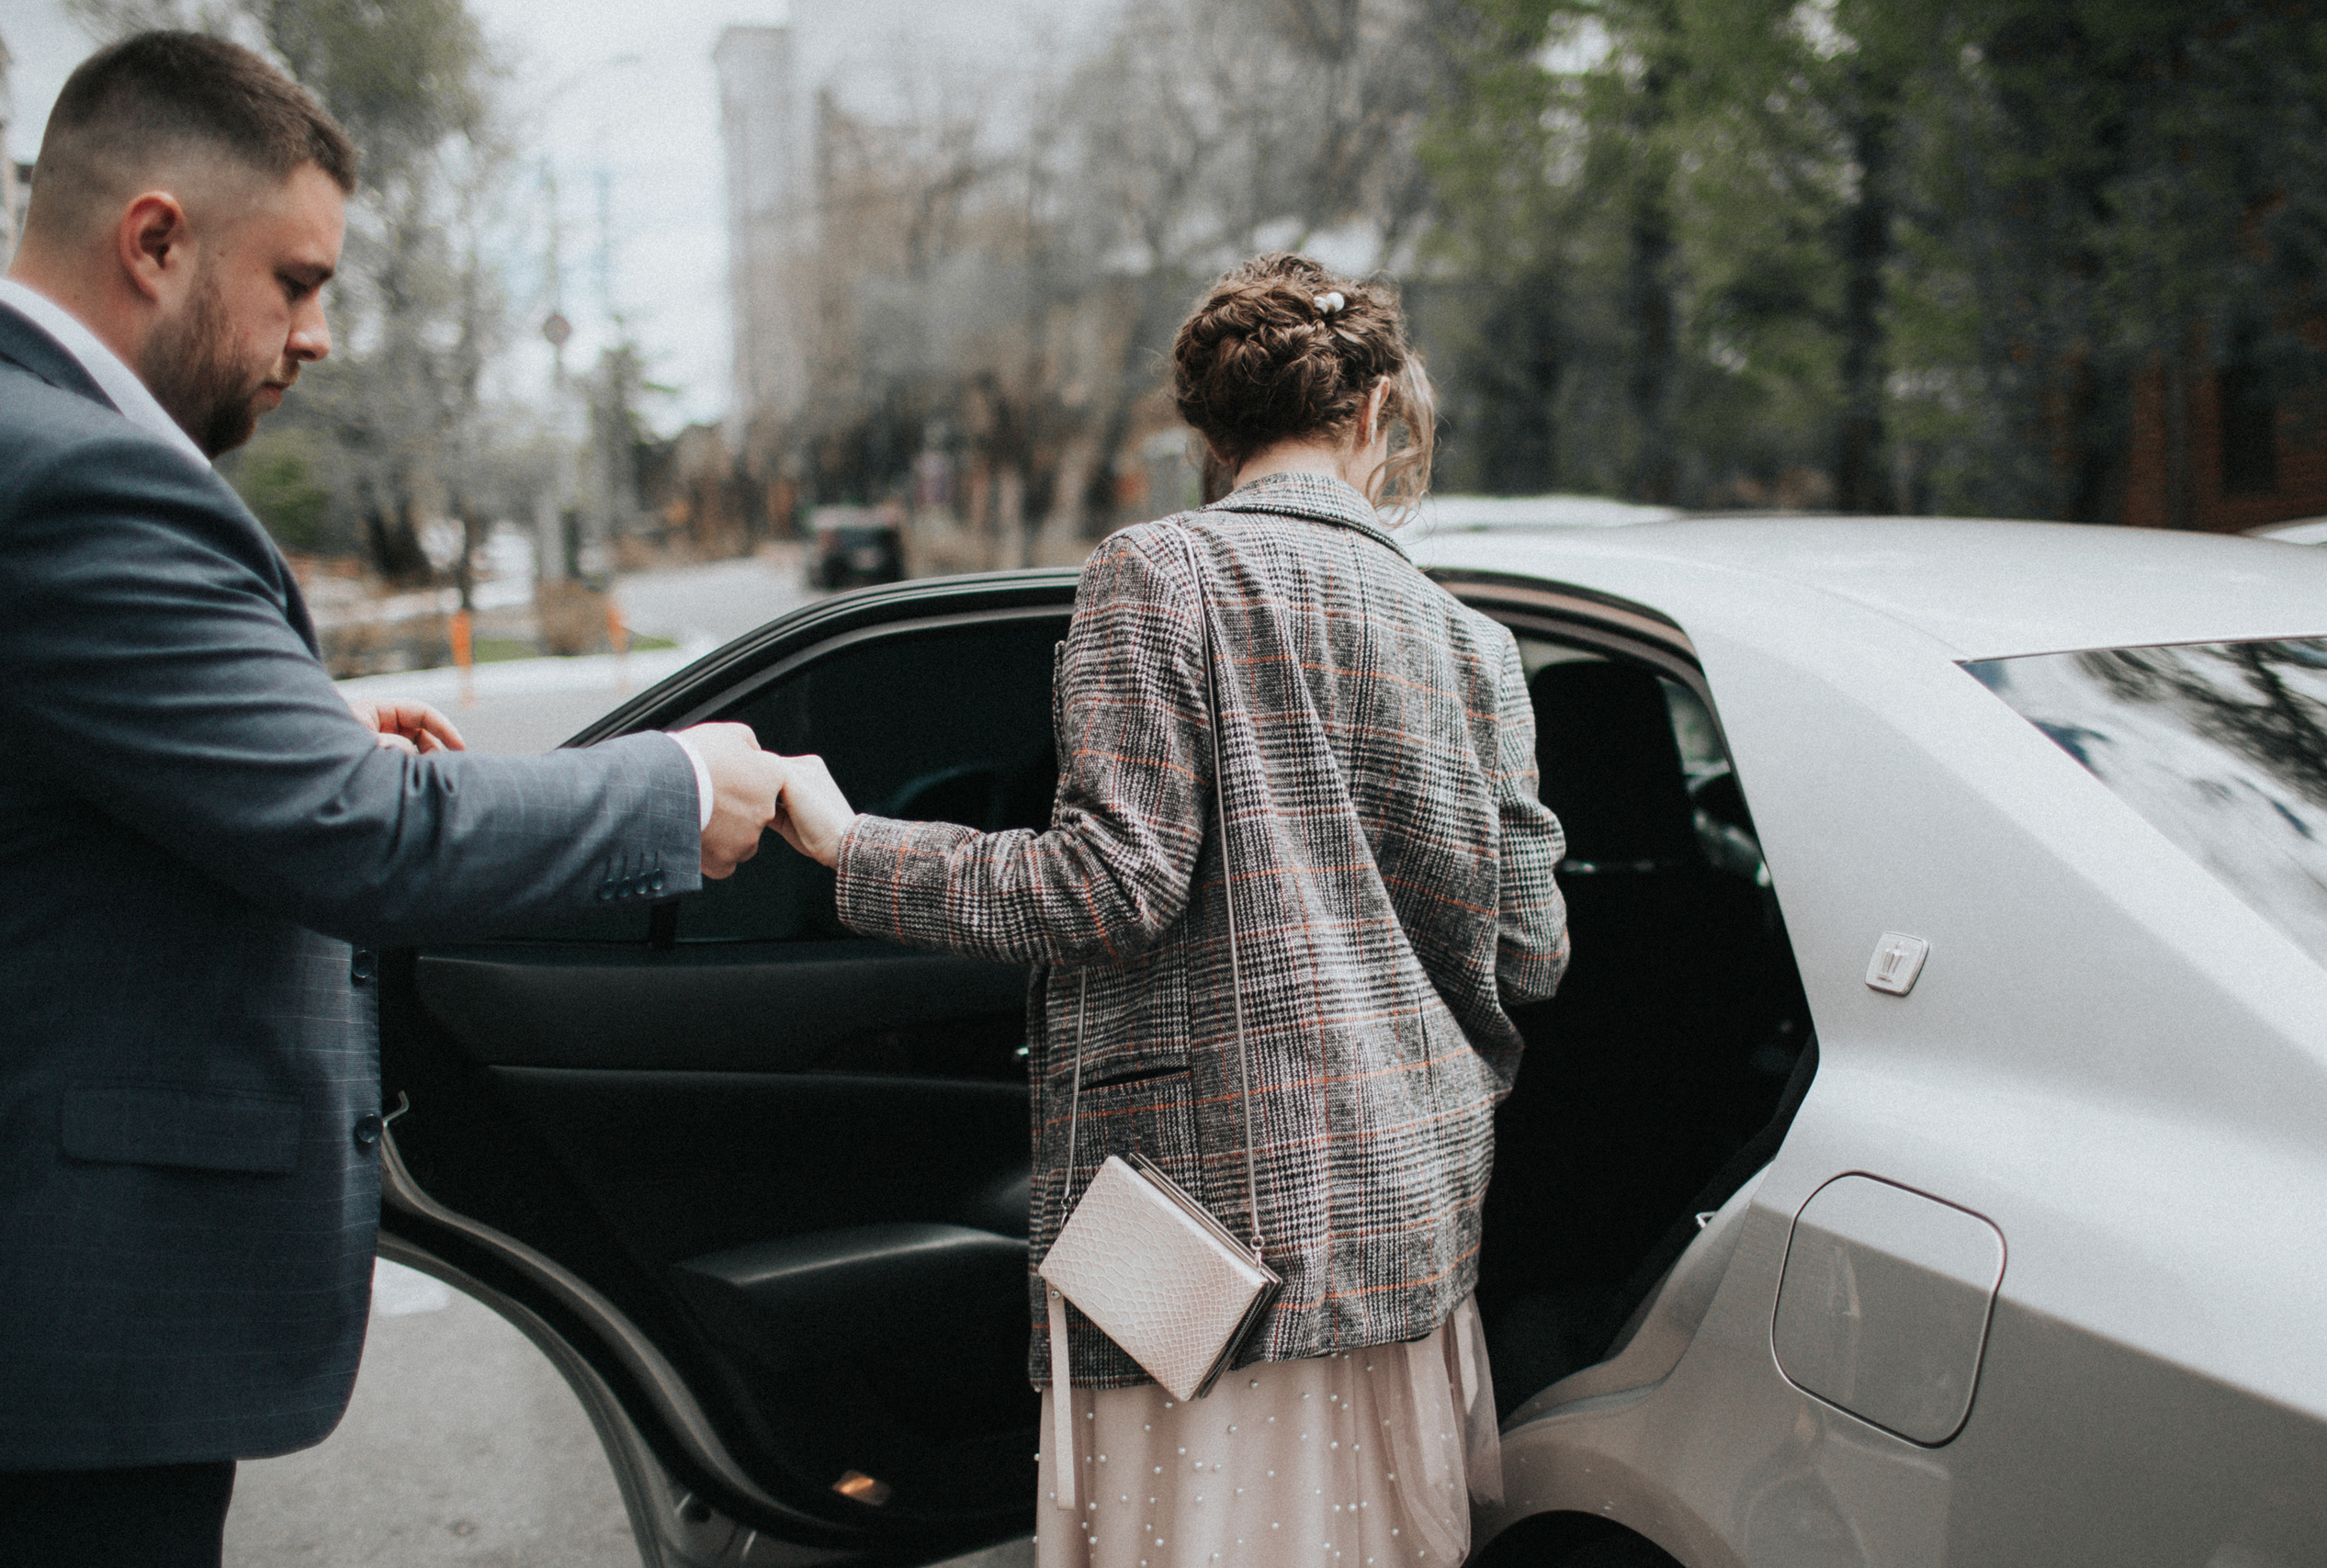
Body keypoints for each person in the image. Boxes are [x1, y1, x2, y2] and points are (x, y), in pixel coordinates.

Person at [0, 33, 794, 1564]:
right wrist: (682, 780)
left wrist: (303, 726)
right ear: (156, 240)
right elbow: (359, 841)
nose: (316, 338)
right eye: (296, 282)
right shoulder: (82, 477)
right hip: (62, 1344)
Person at [770, 253, 1570, 1567]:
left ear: (1210, 430)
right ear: (1374, 414)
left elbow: (1109, 884)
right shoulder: (1471, 641)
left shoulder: (1157, 571)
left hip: (1203, 1243)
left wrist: (855, 845)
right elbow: (1531, 950)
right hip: (1412, 1228)